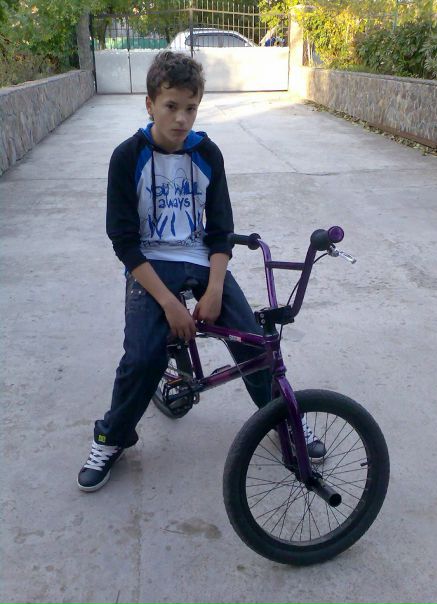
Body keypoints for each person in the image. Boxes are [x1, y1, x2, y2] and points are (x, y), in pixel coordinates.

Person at [77, 51, 325, 492]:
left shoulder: (207, 153)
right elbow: (124, 242)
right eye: (171, 106)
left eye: (190, 108)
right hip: (150, 265)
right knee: (143, 357)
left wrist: (213, 289)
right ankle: (111, 437)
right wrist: (169, 303)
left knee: (253, 341)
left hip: (201, 260)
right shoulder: (127, 157)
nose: (181, 119)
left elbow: (221, 231)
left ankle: (280, 417)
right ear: (150, 104)